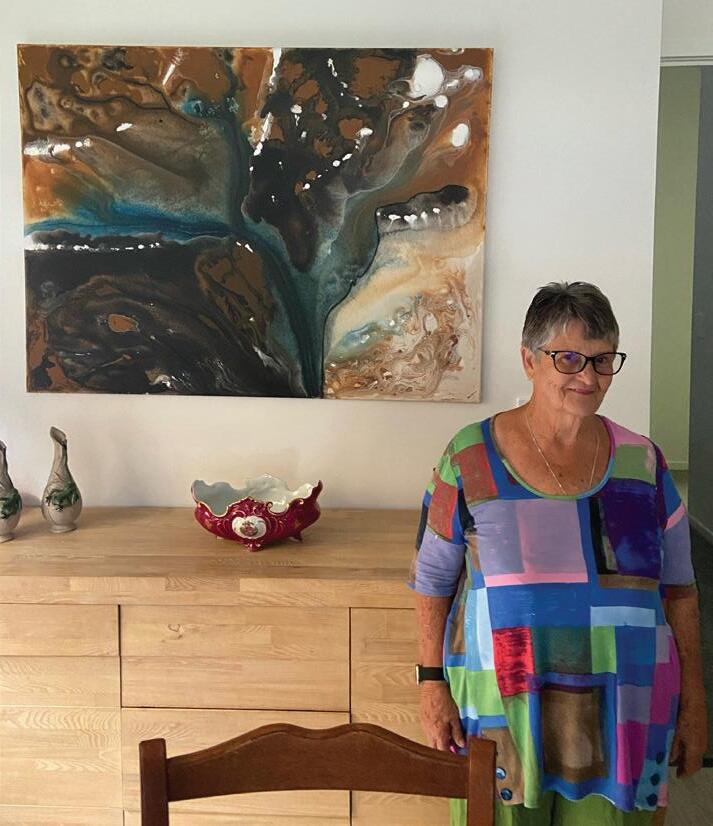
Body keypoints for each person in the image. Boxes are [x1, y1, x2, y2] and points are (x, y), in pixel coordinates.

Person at [410, 282, 707, 826]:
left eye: (602, 360)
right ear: (529, 360)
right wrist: (431, 684)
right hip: (502, 709)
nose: (588, 378)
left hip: (625, 711)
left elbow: (681, 591)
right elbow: (431, 581)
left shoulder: (643, 463)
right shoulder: (469, 456)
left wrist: (695, 702)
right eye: (568, 358)